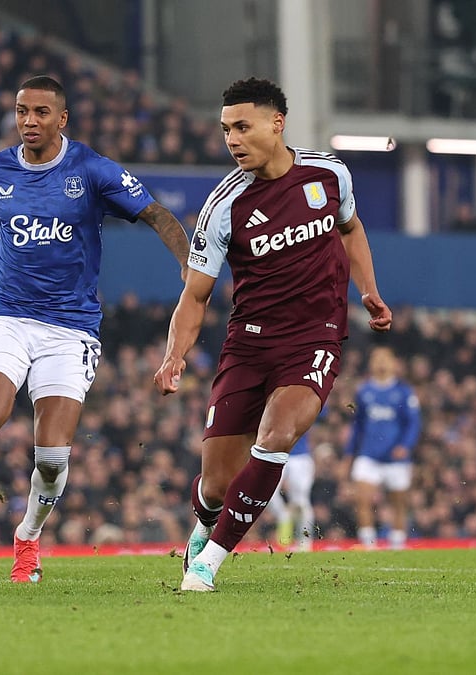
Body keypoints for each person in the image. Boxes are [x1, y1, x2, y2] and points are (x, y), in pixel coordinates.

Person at [0, 75, 190, 583]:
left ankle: (27, 537)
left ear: (61, 119)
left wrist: (189, 265)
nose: (29, 121)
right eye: (22, 111)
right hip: (8, 316)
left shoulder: (91, 169)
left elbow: (157, 214)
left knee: (51, 458)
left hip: (71, 329)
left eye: (41, 113)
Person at [153, 77, 392, 592]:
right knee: (215, 484)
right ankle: (204, 526)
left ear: (276, 123)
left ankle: (208, 563)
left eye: (242, 127)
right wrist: (175, 356)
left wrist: (369, 290)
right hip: (249, 344)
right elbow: (194, 297)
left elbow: (350, 228)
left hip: (315, 338)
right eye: (225, 130)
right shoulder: (224, 207)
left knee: (277, 437)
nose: (232, 139)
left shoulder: (328, 175)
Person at [345, 345, 420, 549]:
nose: (380, 363)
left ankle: (397, 543)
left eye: (385, 358)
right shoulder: (364, 391)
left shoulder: (403, 392)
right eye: (376, 358)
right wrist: (349, 452)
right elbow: (358, 425)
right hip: (369, 455)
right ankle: (368, 544)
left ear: (394, 363)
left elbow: (413, 423)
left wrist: (405, 445)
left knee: (398, 503)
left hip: (396, 459)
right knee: (362, 499)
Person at [265, 429, 315, 550]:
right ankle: (284, 520)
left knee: (300, 501)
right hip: (275, 454)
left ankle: (305, 544)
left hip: (300, 456)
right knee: (268, 494)